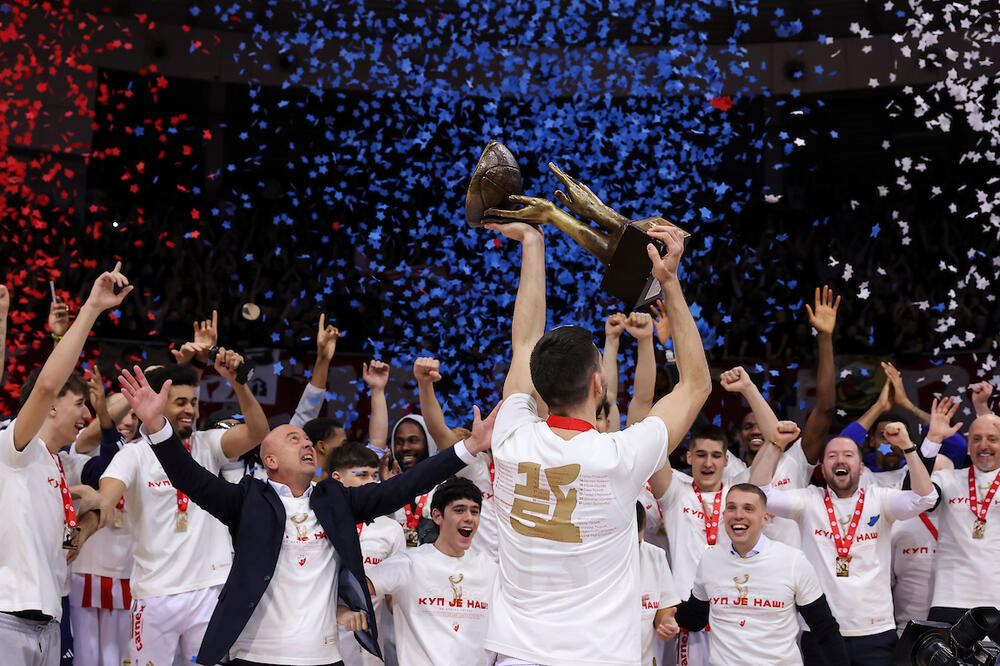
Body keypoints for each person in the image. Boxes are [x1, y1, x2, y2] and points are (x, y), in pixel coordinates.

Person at [116, 364, 497, 666]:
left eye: (306, 439)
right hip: (256, 655)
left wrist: (467, 448)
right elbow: (190, 479)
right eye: (292, 438)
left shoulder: (336, 500)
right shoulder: (247, 501)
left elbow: (403, 486)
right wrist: (156, 427)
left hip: (324, 656)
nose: (305, 444)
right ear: (269, 460)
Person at [481, 212, 711, 666]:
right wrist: (669, 282)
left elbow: (524, 341)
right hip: (598, 656)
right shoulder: (619, 456)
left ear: (537, 387)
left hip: (516, 655)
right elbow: (696, 384)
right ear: (599, 385)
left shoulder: (509, 437)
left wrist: (533, 241)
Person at [98, 352, 271, 666]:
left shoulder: (209, 444)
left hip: (210, 589)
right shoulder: (133, 455)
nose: (190, 409)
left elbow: (258, 433)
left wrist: (239, 383)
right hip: (155, 593)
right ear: (158, 403)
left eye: (193, 402)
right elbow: (107, 495)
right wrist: (95, 510)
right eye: (180, 402)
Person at [0, 263, 130, 666]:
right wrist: (91, 308)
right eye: (79, 406)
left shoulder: (61, 464)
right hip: (7, 619)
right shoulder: (15, 446)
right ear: (50, 408)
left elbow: (101, 511)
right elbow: (46, 384)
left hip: (51, 623)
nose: (84, 416)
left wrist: (82, 523)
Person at [749, 420, 938, 665]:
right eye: (832, 456)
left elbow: (926, 498)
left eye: (848, 455)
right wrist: (776, 444)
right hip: (820, 632)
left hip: (875, 631)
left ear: (860, 467)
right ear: (823, 467)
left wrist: (907, 448)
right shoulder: (808, 501)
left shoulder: (879, 499)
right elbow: (756, 493)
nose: (840, 460)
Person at [675, 474, 849, 666]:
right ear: (724, 516)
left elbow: (824, 628)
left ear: (765, 517)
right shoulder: (710, 559)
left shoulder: (793, 561)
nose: (738, 515)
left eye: (748, 509)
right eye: (731, 507)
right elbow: (695, 619)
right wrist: (665, 608)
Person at [367, 477, 497, 666]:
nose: (469, 517)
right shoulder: (409, 563)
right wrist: (342, 610)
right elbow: (354, 587)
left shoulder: (490, 570)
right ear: (437, 516)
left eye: (474, 511)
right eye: (459, 510)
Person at [921, 399, 1000, 624]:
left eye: (992, 439)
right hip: (950, 600)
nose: (983, 445)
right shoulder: (947, 479)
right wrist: (932, 440)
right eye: (976, 439)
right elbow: (916, 495)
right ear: (968, 445)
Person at [327, 442, 406, 666]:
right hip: (320, 647)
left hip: (370, 653)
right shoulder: (317, 525)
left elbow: (395, 598)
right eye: (362, 475)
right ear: (337, 479)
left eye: (374, 475)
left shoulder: (391, 530)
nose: (372, 482)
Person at [636, 501, 680, 666]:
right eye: (626, 544)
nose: (633, 551)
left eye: (638, 542)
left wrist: (666, 625)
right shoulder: (592, 560)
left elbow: (662, 610)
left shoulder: (656, 556)